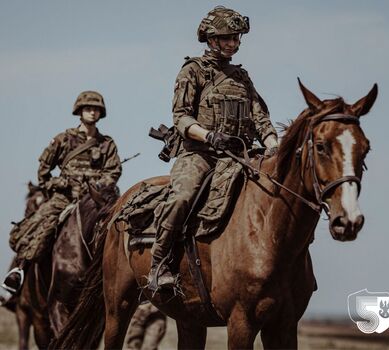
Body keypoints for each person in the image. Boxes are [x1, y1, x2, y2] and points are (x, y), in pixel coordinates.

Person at [147, 6, 278, 290]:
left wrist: (273, 145)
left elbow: (260, 119)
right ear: (212, 39)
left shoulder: (242, 77)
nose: (234, 43)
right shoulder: (193, 70)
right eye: (228, 37)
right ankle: (159, 264)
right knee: (182, 197)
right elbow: (181, 117)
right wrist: (208, 136)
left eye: (236, 38)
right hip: (201, 154)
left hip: (240, 156)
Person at [1, 91, 122, 300]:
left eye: (96, 109)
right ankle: (19, 271)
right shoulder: (63, 139)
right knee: (38, 229)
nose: (92, 113)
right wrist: (62, 183)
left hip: (95, 200)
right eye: (88, 109)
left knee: (121, 225)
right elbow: (43, 172)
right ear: (80, 112)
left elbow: (114, 171)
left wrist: (100, 185)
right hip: (65, 198)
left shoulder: (106, 143)